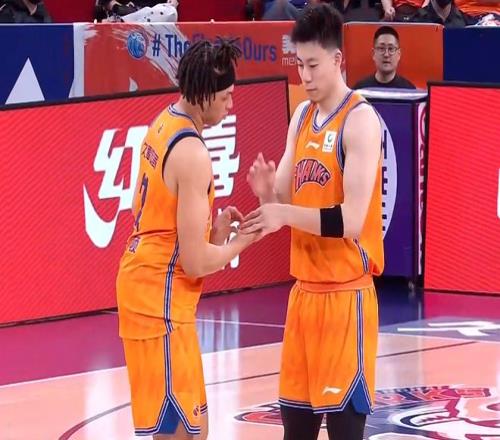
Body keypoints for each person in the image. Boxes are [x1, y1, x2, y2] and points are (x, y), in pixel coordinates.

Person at [241, 4, 384, 440]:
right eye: (299, 65)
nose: (304, 75)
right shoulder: (302, 116)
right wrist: (266, 195)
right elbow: (283, 199)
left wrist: (282, 213)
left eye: (313, 65)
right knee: (295, 432)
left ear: (337, 59)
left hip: (345, 298)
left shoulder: (360, 121)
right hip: (303, 296)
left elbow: (351, 220)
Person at [116, 38, 258, 440]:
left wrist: (212, 234)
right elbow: (194, 263)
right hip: (158, 302)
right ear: (205, 94)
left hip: (152, 290)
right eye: (226, 97)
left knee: (196, 430)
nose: (231, 105)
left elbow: (154, 216)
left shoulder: (164, 121)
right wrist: (241, 242)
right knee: (183, 433)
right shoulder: (192, 153)